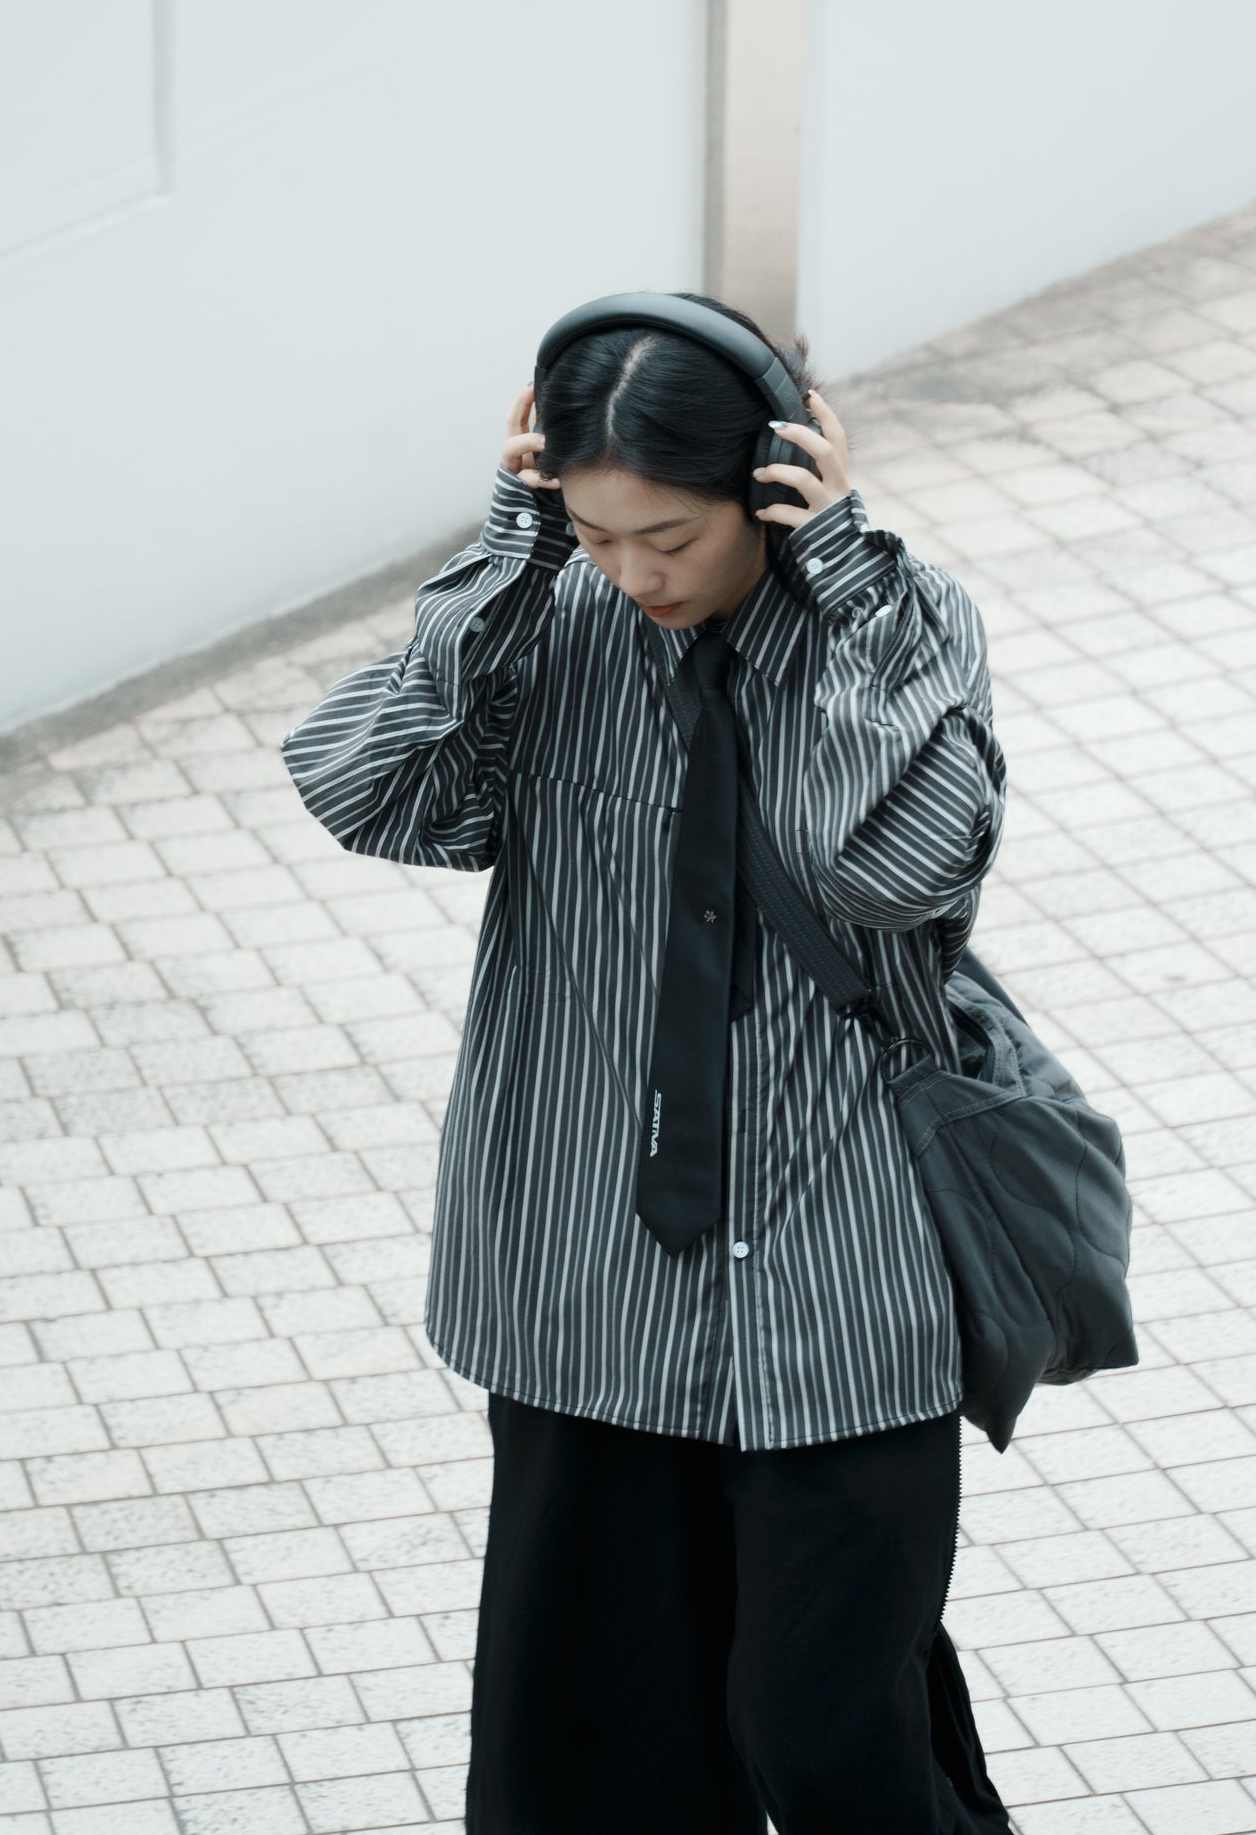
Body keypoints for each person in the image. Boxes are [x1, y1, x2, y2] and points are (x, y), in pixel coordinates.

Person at [282, 293, 1012, 1834]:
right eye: (598, 532)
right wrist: (507, 559)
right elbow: (375, 795)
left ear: (770, 481)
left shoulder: (897, 626)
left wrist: (844, 590)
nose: (636, 573)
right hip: (585, 1272)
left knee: (827, 1729)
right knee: (588, 1745)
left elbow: (898, 872)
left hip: (838, 1272)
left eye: (668, 536)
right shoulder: (550, 617)